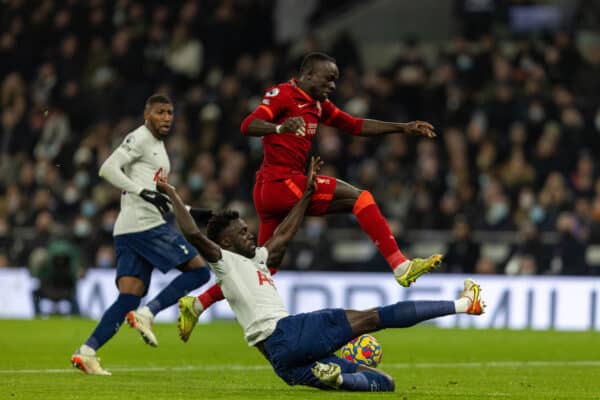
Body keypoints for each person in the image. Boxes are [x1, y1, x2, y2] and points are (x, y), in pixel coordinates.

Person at [159, 156, 485, 392]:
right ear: (226, 241)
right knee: (374, 317)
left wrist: (307, 194)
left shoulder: (258, 258)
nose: (250, 234)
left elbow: (285, 233)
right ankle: (463, 304)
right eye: (243, 232)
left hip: (282, 363)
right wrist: (173, 194)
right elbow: (193, 234)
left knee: (384, 383)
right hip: (288, 333)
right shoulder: (224, 261)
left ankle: (338, 376)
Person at [193, 51, 443, 326]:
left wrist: (402, 128)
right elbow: (247, 125)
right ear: (309, 75)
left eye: (335, 81)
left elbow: (355, 125)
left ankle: (197, 303)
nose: (332, 86)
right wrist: (278, 128)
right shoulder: (282, 95)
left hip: (270, 190)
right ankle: (400, 265)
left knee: (264, 266)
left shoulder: (318, 104)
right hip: (282, 183)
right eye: (328, 79)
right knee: (360, 198)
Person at [70, 94, 212, 375]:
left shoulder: (157, 146)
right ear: (147, 114)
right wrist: (140, 191)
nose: (167, 117)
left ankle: (86, 352)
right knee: (199, 272)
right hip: (144, 224)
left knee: (128, 298)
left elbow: (157, 194)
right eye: (160, 112)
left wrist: (190, 211)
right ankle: (149, 313)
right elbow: (107, 168)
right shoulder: (140, 138)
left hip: (128, 229)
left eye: (170, 112)